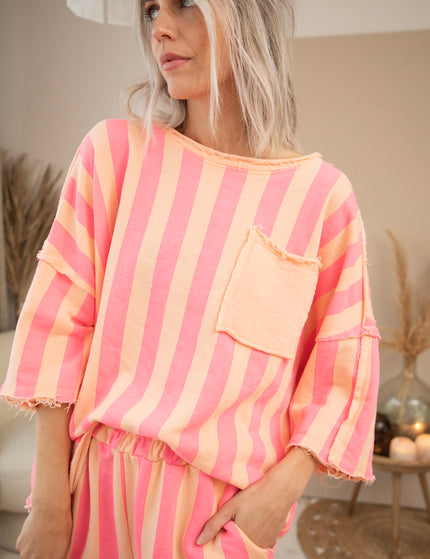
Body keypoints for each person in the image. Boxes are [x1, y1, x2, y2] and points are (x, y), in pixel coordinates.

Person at [0, 0, 380, 558]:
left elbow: (340, 367)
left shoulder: (321, 200)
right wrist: (52, 502)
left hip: (217, 521)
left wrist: (282, 489)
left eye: (185, 4)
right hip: (95, 495)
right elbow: (59, 328)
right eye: (151, 9)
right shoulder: (115, 155)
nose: (160, 28)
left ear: (248, 15)